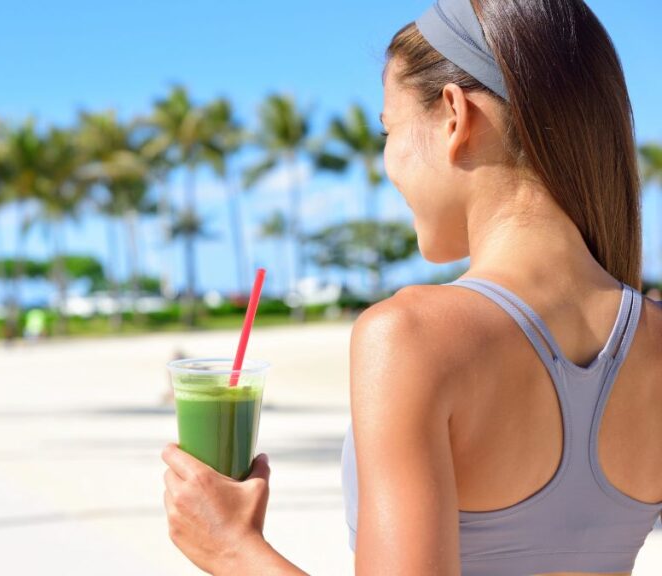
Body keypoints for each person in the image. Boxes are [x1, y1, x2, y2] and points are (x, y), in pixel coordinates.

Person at [161, 1, 662, 574]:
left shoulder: (411, 336)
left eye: (388, 130)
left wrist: (230, 548)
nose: (387, 162)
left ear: (454, 115)